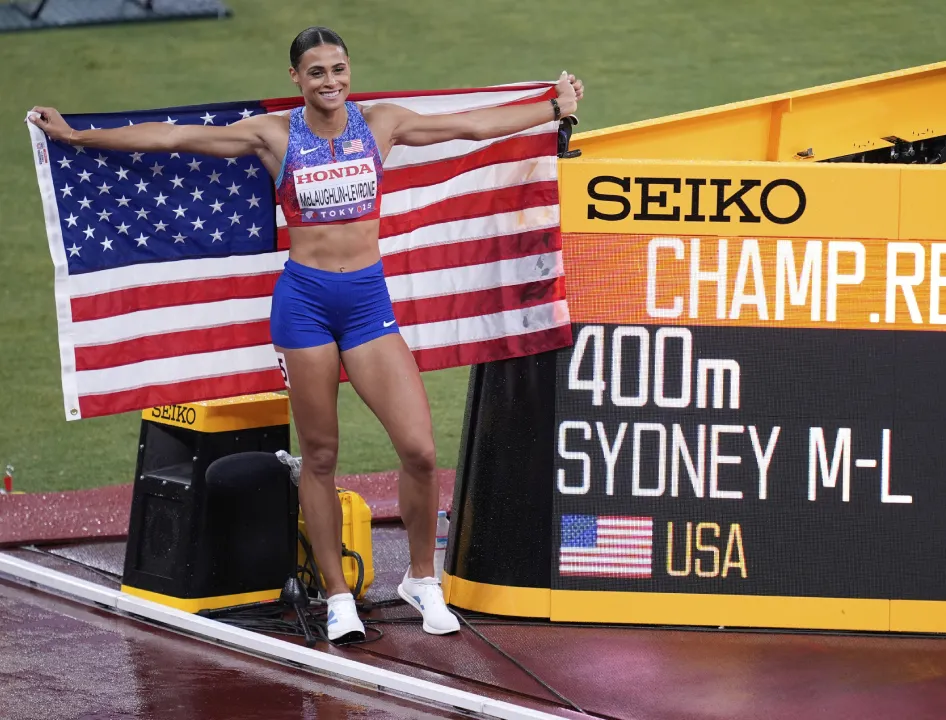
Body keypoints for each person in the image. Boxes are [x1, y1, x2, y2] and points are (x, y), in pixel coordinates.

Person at [28, 26, 584, 643]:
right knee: (320, 454)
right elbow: (174, 137)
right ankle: (338, 596)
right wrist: (77, 135)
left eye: (339, 69)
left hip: (368, 302)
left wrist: (552, 107)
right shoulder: (274, 134)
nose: (331, 82)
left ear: (351, 71)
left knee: (420, 450)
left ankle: (422, 580)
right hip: (305, 307)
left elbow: (474, 127)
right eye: (317, 72)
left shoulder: (381, 124)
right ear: (296, 78)